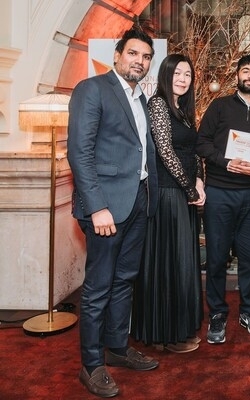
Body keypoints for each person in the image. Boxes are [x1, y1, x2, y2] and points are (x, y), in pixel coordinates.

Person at [67, 28, 159, 398]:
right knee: (98, 287)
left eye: (146, 57)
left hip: (138, 200)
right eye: (133, 53)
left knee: (125, 280)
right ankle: (91, 365)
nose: (140, 61)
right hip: (106, 207)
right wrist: (98, 207)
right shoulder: (92, 89)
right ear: (118, 55)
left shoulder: (141, 97)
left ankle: (117, 349)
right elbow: (80, 152)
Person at [196, 54, 250, 344]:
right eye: (246, 71)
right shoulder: (219, 106)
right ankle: (217, 313)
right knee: (217, 258)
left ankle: (249, 311)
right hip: (219, 192)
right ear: (237, 75)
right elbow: (201, 143)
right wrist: (225, 162)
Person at [130, 54, 205, 353]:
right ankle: (164, 334)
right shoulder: (158, 104)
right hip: (167, 194)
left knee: (182, 263)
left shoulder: (183, 109)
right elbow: (164, 151)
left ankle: (177, 329)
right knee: (170, 264)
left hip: (184, 193)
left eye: (187, 74)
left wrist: (199, 181)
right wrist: (188, 187)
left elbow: (194, 151)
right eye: (177, 73)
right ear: (165, 75)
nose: (183, 79)